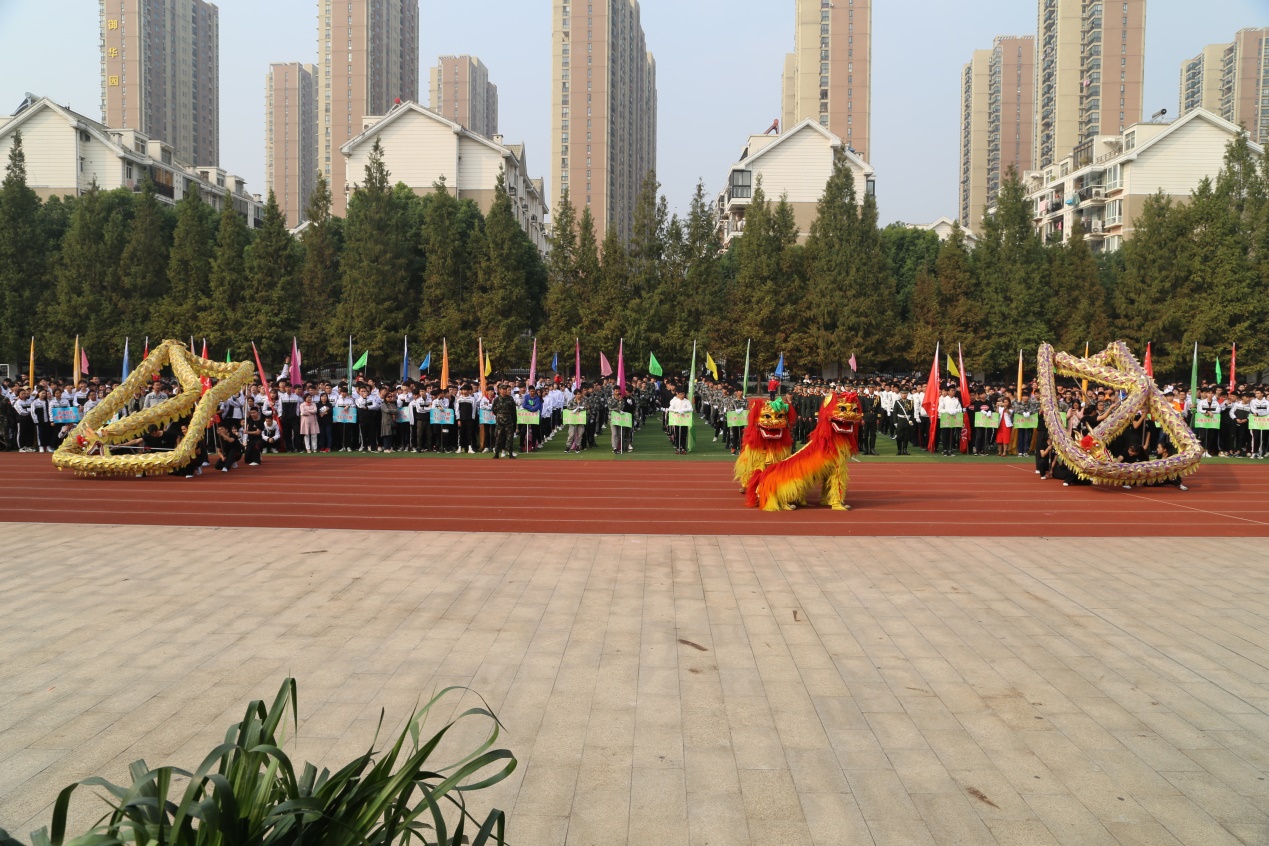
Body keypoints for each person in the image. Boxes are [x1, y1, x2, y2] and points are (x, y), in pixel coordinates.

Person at [491, 383, 517, 458]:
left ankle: (510, 453)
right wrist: (500, 415)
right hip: (499, 421)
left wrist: (514, 421)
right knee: (498, 437)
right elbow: (494, 410)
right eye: (503, 389)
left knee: (510, 437)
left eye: (506, 389)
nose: (505, 391)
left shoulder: (510, 399)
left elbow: (513, 410)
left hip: (509, 421)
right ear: (499, 390)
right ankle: (496, 453)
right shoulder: (496, 399)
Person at [937, 386, 962, 456]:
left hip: (953, 420)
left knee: (951, 435)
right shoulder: (944, 400)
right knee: (945, 435)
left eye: (954, 390)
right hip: (945, 419)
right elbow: (940, 409)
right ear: (948, 392)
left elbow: (960, 409)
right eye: (952, 390)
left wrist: (955, 411)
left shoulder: (956, 400)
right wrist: (948, 411)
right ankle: (945, 449)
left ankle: (950, 449)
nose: (953, 392)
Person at [668, 387, 692, 454]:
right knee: (677, 434)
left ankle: (683, 448)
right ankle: (678, 448)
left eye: (683, 394)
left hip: (684, 420)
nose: (682, 396)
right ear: (677, 394)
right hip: (677, 420)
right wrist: (676, 410)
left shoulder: (687, 401)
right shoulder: (675, 401)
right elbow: (670, 408)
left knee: (684, 434)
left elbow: (691, 409)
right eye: (680, 394)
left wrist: (684, 410)